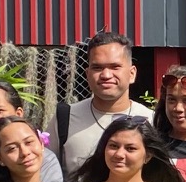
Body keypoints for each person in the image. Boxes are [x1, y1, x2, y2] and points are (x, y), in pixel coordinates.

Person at [56, 31, 153, 173]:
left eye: (115, 67)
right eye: (97, 68)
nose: (106, 75)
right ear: (87, 74)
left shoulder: (151, 120)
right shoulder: (64, 118)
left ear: (132, 74)